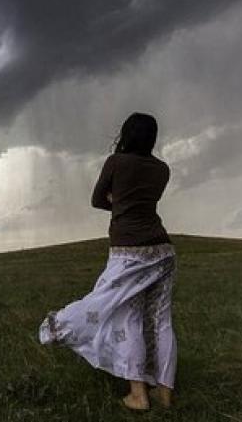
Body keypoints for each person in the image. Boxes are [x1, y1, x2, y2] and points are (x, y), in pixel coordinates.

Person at [38, 112, 177, 411]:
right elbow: (144, 201)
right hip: (163, 250)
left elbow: (97, 200)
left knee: (128, 318)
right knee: (161, 322)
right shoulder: (162, 170)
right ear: (152, 138)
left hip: (129, 252)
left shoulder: (116, 162)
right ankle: (164, 394)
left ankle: (138, 395)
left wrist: (117, 199)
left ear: (126, 134)